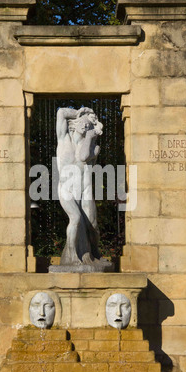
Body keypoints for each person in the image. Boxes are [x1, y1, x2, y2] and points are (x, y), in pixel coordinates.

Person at [56, 106, 103, 266]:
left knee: (93, 226)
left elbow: (83, 156)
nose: (85, 125)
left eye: (89, 125)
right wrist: (79, 113)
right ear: (75, 122)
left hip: (85, 193)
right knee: (75, 218)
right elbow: (61, 113)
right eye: (83, 122)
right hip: (67, 191)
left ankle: (95, 253)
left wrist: (90, 137)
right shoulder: (64, 139)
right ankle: (72, 256)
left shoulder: (93, 148)